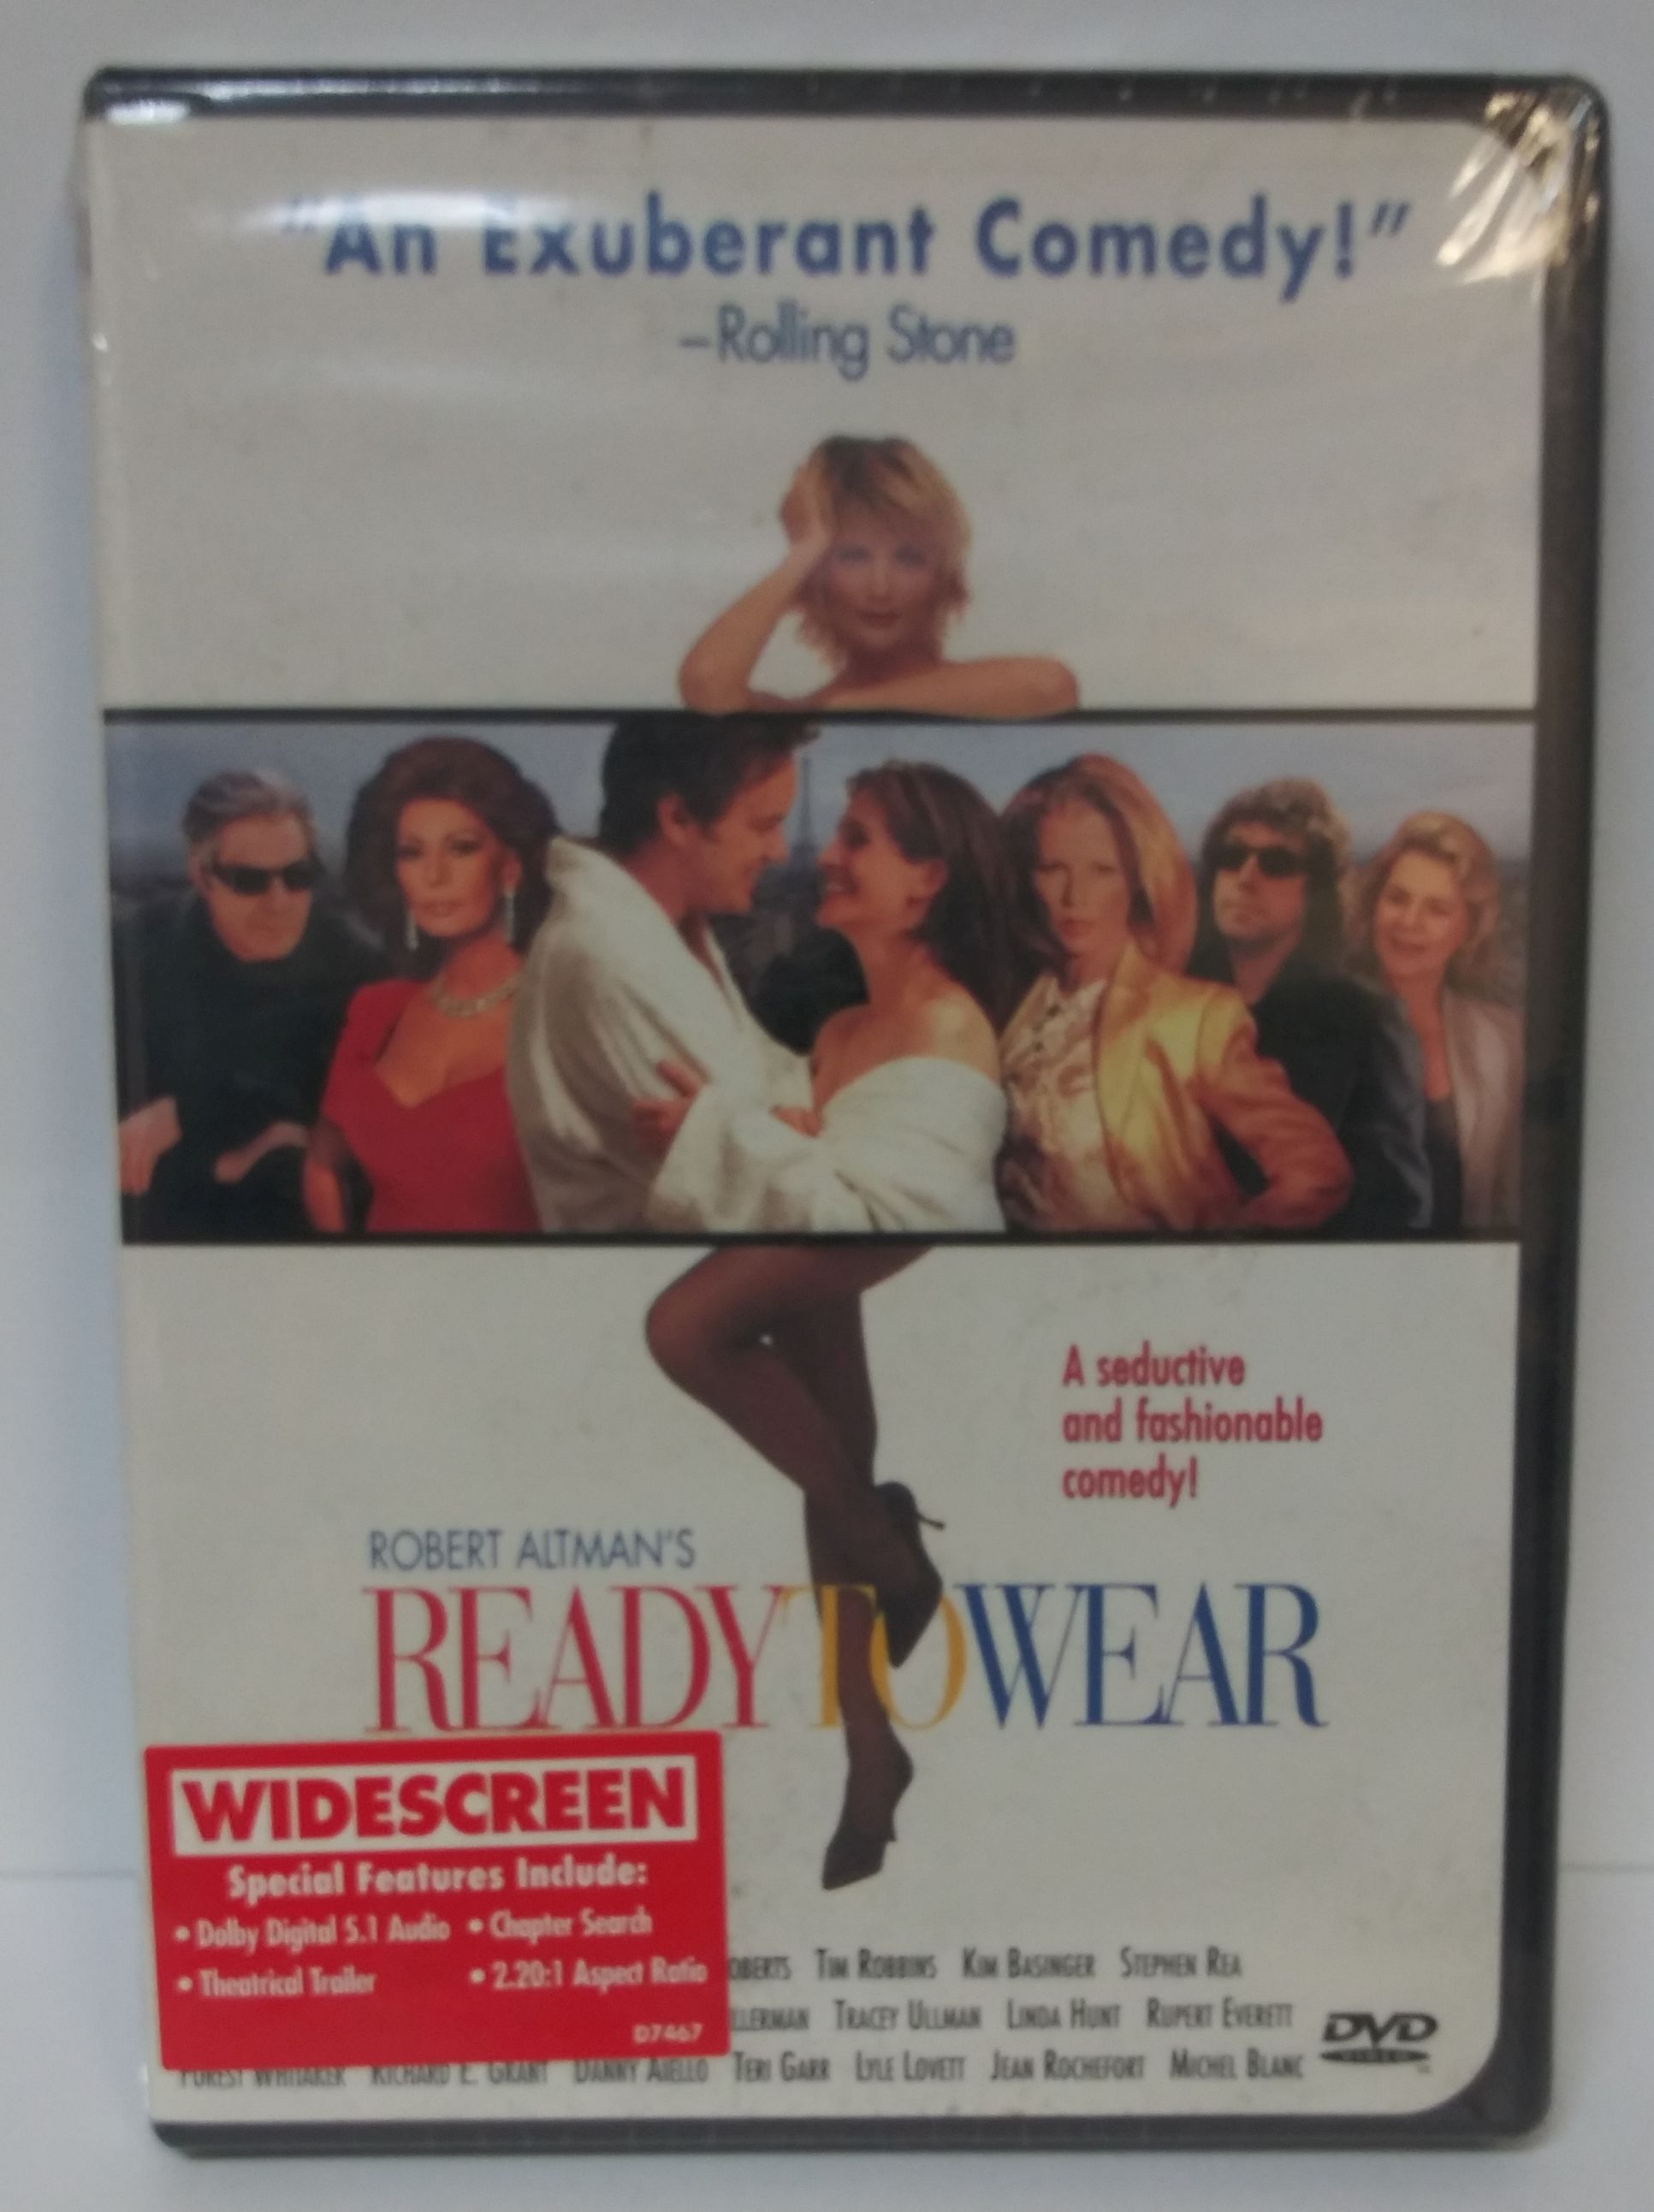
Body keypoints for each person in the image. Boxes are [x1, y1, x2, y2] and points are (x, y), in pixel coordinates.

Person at [636, 763, 1022, 1892]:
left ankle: (889, 1546)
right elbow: (812, 1158)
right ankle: (871, 1760)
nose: (828, 857)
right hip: (838, 1206)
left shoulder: (947, 1022)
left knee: (683, 1330)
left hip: (888, 1218)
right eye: (836, 833)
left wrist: (734, 1134)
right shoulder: (848, 1024)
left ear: (928, 879)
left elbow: (896, 1195)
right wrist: (781, 1134)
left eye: (859, 838)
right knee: (828, 1456)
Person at [997, 755, 1352, 1233]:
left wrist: (1216, 1257)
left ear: (1138, 879)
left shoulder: (1195, 1017)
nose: (1074, 896)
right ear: (1025, 875)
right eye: (1052, 868)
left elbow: (1317, 1171)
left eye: (1102, 870)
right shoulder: (1011, 1005)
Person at [505, 713, 812, 1232]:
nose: (779, 851)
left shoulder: (665, 926)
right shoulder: (609, 955)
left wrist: (773, 1125)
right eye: (763, 826)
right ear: (677, 819)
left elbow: (771, 1092)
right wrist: (780, 1129)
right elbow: (767, 1204)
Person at [112, 768, 381, 1238]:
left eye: (298, 875)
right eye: (249, 880)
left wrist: (189, 1114)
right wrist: (241, 1147)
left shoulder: (360, 969)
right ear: (201, 876)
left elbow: (361, 1121)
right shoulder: (131, 956)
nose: (279, 901)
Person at [305, 737, 554, 1233]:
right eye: (412, 853)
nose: (434, 876)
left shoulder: (561, 1010)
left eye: (461, 848)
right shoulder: (376, 1010)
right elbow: (321, 1167)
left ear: (510, 868)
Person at [678, 435, 1078, 720]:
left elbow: (1051, 686)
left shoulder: (994, 694)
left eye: (909, 558)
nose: (880, 588)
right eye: (852, 556)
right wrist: (805, 549)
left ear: (943, 577)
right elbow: (707, 685)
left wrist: (850, 708)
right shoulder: (805, 712)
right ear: (816, 578)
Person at [1188, 779, 1431, 1233]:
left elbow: (1395, 1206)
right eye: (1232, 856)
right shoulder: (1167, 1001)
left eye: (1276, 863)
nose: (1246, 878)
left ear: (1316, 892)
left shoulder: (1365, 1021)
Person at [1355, 812, 1522, 1231]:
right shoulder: (1321, 1024)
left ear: (1470, 929)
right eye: (1397, 898)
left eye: (1437, 909)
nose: (1409, 922)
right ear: (1374, 904)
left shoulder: (1505, 1041)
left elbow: (1511, 1211)